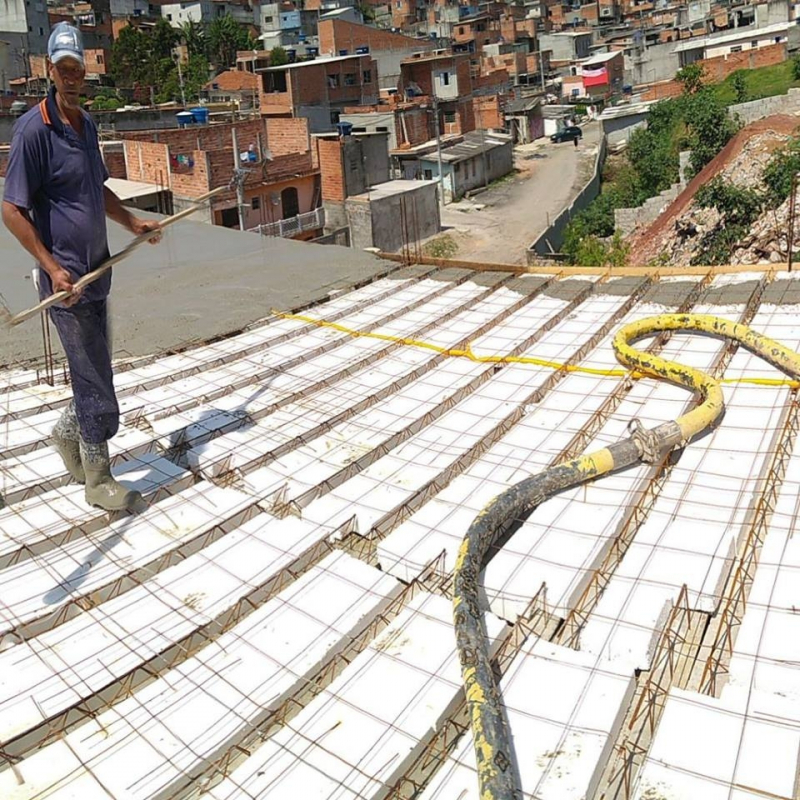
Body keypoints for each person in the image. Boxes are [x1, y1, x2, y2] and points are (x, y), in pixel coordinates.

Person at [2, 22, 163, 512]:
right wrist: (51, 267)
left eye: (78, 71)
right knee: (94, 381)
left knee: (97, 373)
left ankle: (66, 433)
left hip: (97, 273)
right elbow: (11, 208)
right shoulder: (34, 131)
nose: (71, 79)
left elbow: (97, 190)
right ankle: (98, 480)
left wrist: (131, 221)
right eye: (63, 70)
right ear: (50, 71)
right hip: (65, 284)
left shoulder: (86, 126)